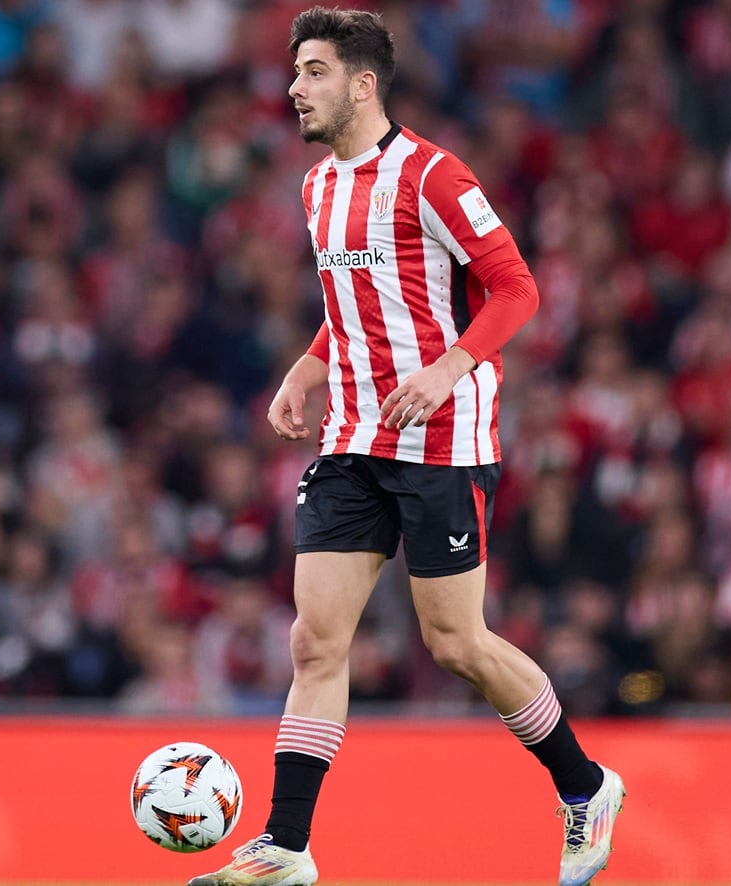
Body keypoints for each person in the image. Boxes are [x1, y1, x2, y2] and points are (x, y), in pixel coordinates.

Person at [189, 9, 625, 886]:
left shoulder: (434, 174)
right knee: (315, 641)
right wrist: (305, 373)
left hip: (442, 440)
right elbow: (356, 310)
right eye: (294, 71)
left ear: (362, 83)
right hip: (351, 437)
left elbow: (515, 288)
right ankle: (287, 844)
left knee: (456, 644)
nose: (293, 88)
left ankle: (586, 788)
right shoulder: (315, 188)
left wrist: (449, 368)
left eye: (312, 72)